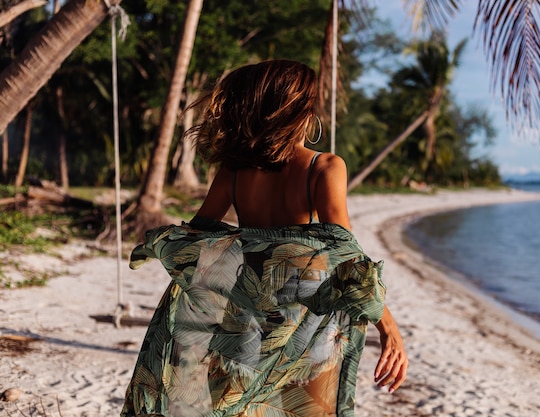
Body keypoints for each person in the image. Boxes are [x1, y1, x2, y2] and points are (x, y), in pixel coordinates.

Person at [121, 59, 407, 417]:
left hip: (243, 321)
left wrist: (162, 244)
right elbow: (347, 258)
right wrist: (389, 327)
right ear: (299, 109)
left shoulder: (234, 171)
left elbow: (199, 235)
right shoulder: (324, 167)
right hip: (302, 327)